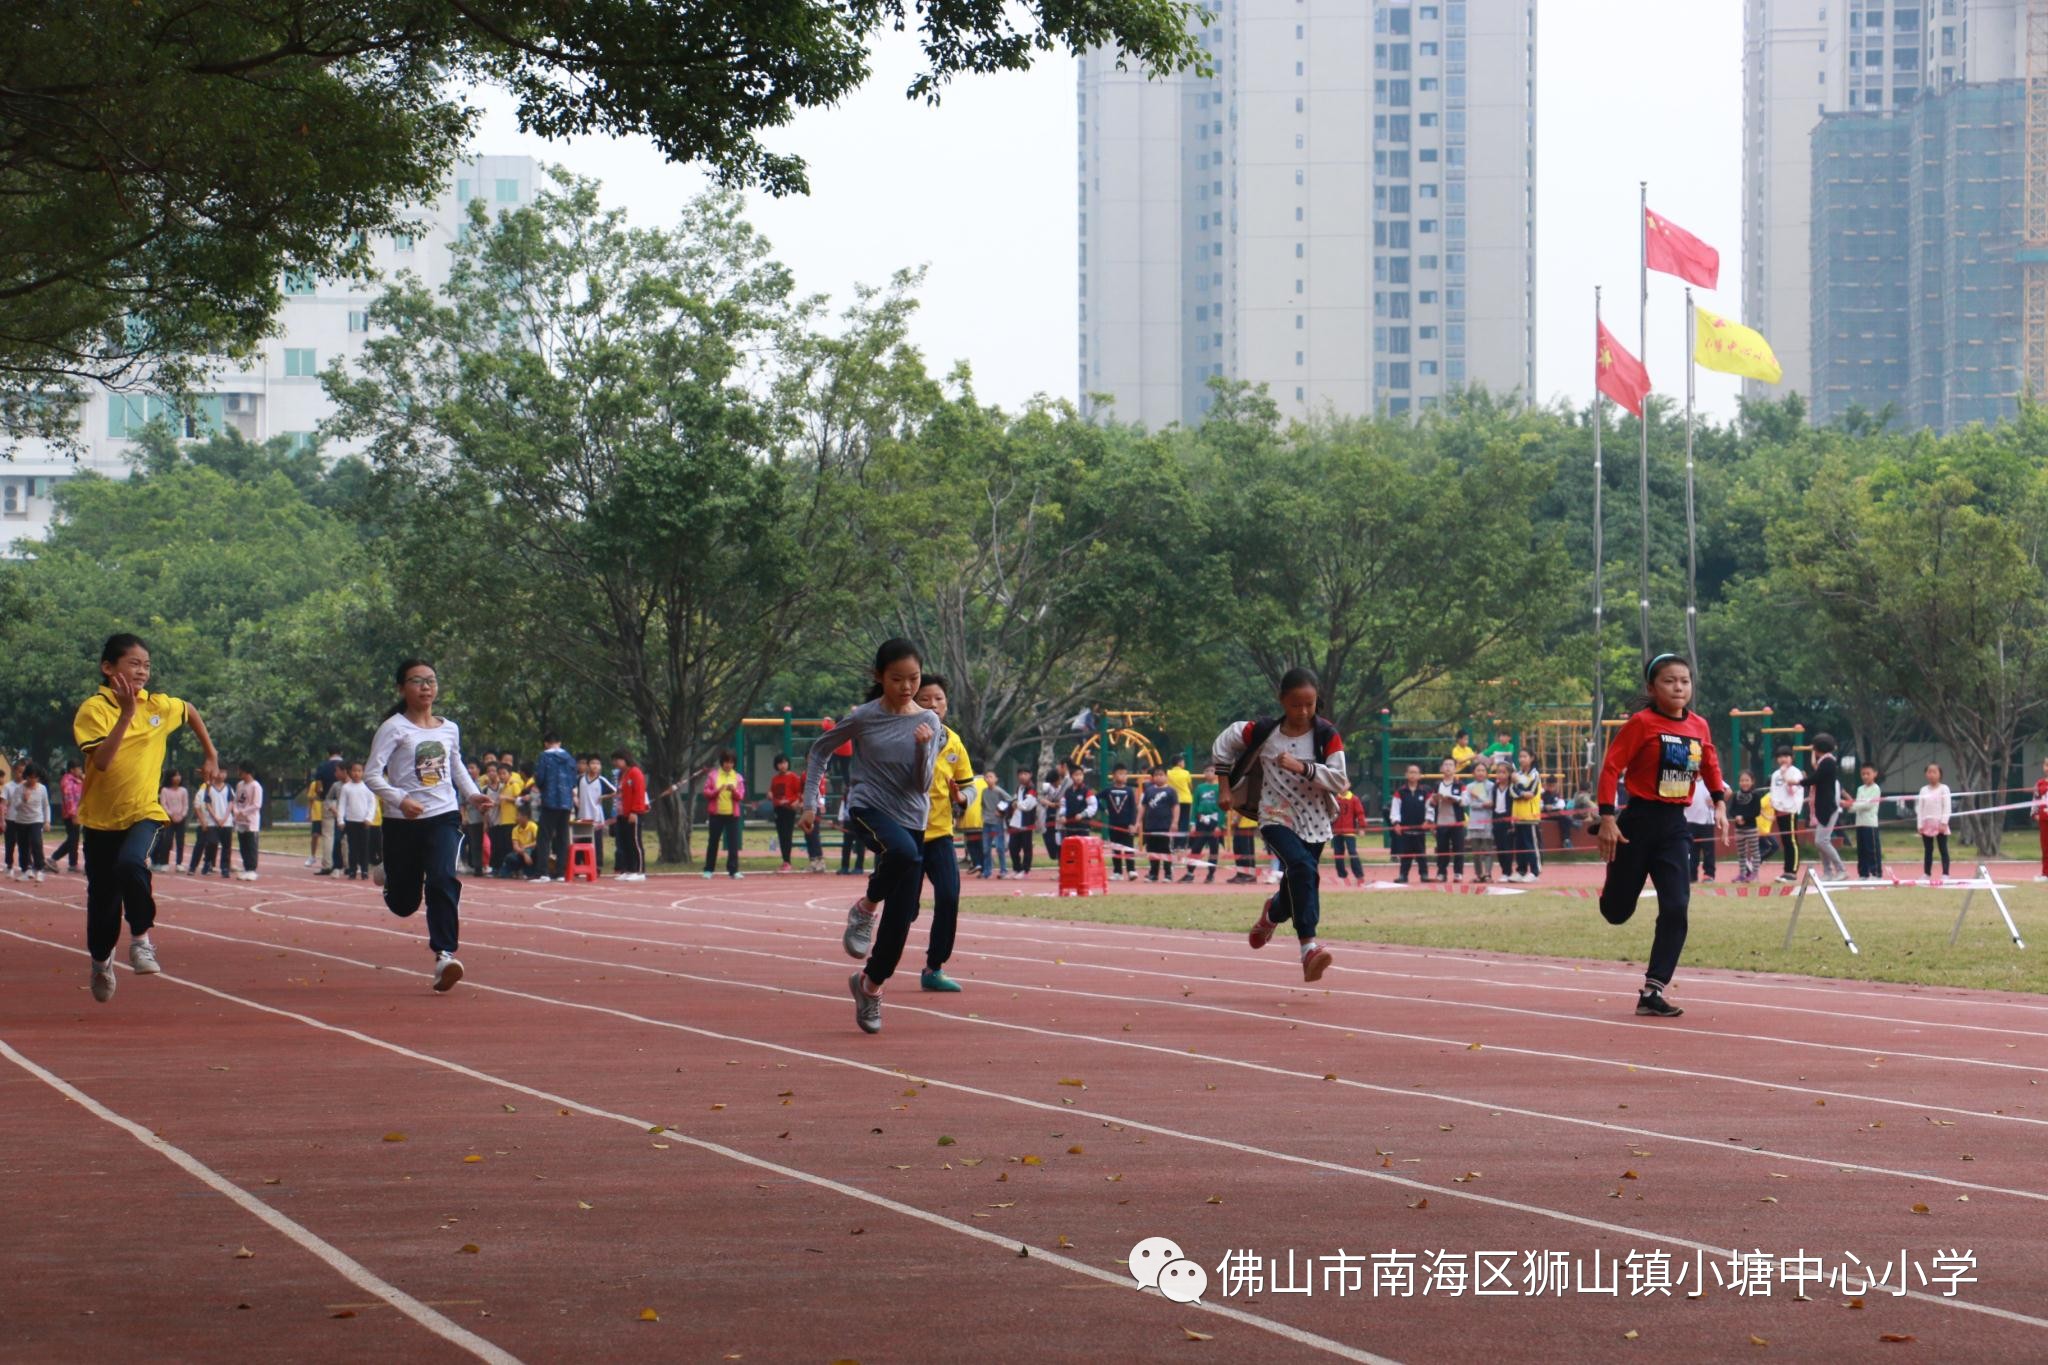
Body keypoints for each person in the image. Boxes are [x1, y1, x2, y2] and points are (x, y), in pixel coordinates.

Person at [799, 638, 944, 1034]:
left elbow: (922, 784)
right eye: (897, 679)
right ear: (879, 677)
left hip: (912, 817)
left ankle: (869, 986)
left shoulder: (929, 723)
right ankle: (864, 907)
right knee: (905, 855)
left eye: (913, 678)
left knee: (900, 922)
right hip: (869, 807)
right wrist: (810, 803)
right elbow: (819, 750)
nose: (907, 687)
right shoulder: (863, 716)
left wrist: (923, 749)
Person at [73, 633, 222, 1002]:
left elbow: (188, 709)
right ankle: (101, 961)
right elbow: (103, 763)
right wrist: (126, 713)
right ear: (108, 668)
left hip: (144, 811)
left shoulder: (158, 705)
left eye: (147, 665)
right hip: (100, 821)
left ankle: (141, 939)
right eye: (134, 663)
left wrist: (211, 754)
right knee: (103, 908)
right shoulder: (93, 710)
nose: (142, 670)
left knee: (130, 865)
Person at [1594, 653, 1729, 1020]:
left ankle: (1653, 990)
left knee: (1676, 906)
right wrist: (1607, 817)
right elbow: (1611, 767)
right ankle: (1613, 887)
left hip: (1674, 827)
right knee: (1617, 913)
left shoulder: (1699, 725)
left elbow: (1709, 763)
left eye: (1684, 681)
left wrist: (1719, 802)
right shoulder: (1641, 723)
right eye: (1670, 681)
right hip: (1636, 823)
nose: (1679, 687)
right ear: (1652, 688)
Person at [362, 659, 492, 991]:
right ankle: (391, 874)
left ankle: (445, 955)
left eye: (430, 680)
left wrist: (473, 795)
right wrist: (399, 799)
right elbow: (372, 774)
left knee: (442, 878)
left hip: (444, 816)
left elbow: (455, 764)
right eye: (417, 681)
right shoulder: (393, 728)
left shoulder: (449, 728)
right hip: (402, 822)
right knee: (404, 905)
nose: (425, 687)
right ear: (401, 687)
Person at [1214, 667, 1347, 982]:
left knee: (1299, 882)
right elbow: (1225, 741)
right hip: (1275, 816)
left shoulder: (1326, 734)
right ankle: (1308, 949)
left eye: (1309, 705)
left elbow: (1340, 779)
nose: (1302, 712)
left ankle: (1272, 913)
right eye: (1295, 705)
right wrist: (1223, 787)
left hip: (1315, 819)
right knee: (1302, 868)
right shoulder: (1264, 731)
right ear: (1282, 701)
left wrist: (1303, 767)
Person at [909, 674, 974, 992]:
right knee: (904, 907)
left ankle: (934, 968)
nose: (933, 705)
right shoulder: (902, 735)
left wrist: (961, 798)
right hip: (906, 834)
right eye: (925, 699)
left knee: (949, 896)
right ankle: (878, 967)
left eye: (939, 699)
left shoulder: (954, 742)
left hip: (940, 835)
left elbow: (968, 786)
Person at [531, 735, 577, 883]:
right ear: (559, 742)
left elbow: (540, 777)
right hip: (566, 802)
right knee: (563, 837)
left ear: (546, 744)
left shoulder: (544, 757)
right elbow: (573, 779)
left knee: (544, 836)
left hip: (550, 801)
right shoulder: (569, 758)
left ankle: (543, 872)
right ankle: (560, 872)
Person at [1807, 733, 1847, 881]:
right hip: (1821, 810)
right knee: (1821, 842)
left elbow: (1815, 775)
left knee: (1821, 841)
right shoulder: (1825, 764)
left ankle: (1841, 869)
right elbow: (1815, 769)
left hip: (1829, 810)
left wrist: (1799, 782)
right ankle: (1828, 872)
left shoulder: (1828, 764)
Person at [700, 750, 745, 879]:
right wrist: (717, 791)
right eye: (726, 762)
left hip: (732, 815)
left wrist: (734, 790)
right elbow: (706, 792)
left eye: (731, 762)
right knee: (713, 841)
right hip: (716, 814)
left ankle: (733, 870)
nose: (728, 765)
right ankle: (708, 869)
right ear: (722, 762)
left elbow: (741, 796)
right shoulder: (713, 775)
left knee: (733, 843)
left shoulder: (738, 777)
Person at [5, 764, 50, 882]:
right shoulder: (19, 788)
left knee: (36, 843)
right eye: (30, 777)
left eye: (35, 777)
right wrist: (24, 800)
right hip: (21, 821)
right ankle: (26, 870)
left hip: (36, 820)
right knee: (23, 846)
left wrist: (47, 821)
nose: (32, 780)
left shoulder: (42, 788)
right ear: (26, 777)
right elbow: (15, 806)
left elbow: (46, 806)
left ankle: (39, 869)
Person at [611, 749, 648, 881]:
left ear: (625, 758)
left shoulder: (635, 772)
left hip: (633, 813)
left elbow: (639, 793)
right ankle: (627, 869)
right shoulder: (622, 774)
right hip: (622, 813)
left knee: (634, 841)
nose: (615, 763)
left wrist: (635, 811)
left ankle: (639, 870)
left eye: (617, 760)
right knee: (624, 842)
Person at [1389, 765, 1430, 884]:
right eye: (1410, 772)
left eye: (1415, 772)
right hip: (1405, 829)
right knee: (1405, 854)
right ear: (1406, 775)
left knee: (1421, 853)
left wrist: (1428, 821)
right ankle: (1403, 875)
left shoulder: (1424, 791)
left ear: (1420, 775)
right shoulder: (1400, 792)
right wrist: (1396, 823)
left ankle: (1424, 874)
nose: (1413, 775)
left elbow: (1429, 808)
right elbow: (1395, 809)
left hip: (1420, 828)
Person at [1768, 749, 1805, 883]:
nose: (1783, 759)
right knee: (1785, 841)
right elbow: (1773, 792)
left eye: (1786, 756)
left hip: (1790, 810)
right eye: (1780, 756)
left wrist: (1785, 775)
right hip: (1779, 811)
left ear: (1792, 758)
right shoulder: (1775, 774)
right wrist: (1773, 810)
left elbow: (1792, 789)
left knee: (1791, 840)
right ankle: (1786, 871)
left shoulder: (1795, 772)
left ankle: (1792, 871)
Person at [573, 754, 613, 875]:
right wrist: (576, 799)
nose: (595, 766)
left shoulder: (601, 780)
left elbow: (615, 791)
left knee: (596, 842)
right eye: (592, 763)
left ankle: (596, 867)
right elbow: (573, 790)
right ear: (587, 766)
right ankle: (578, 867)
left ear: (600, 767)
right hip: (582, 816)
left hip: (596, 817)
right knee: (580, 841)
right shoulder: (580, 779)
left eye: (598, 764)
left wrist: (603, 797)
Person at [337, 761, 377, 879]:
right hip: (351, 821)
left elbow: (372, 804)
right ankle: (352, 870)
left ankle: (364, 870)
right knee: (352, 847)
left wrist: (369, 818)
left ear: (363, 772)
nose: (356, 774)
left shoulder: (367, 787)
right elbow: (342, 805)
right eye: (354, 771)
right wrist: (340, 820)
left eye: (359, 771)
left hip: (364, 822)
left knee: (364, 847)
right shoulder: (346, 788)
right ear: (349, 772)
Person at [189, 770, 232, 878]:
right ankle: (194, 866)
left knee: (223, 846)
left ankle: (222, 867)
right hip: (208, 822)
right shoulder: (205, 788)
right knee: (205, 844)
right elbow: (198, 805)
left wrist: (225, 818)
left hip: (223, 822)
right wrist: (203, 821)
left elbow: (231, 803)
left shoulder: (228, 787)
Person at [1914, 763, 1952, 880]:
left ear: (1940, 774)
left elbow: (1947, 807)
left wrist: (1944, 823)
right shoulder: (1923, 790)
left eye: (1934, 772)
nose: (1931, 774)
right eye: (1929, 772)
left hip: (1940, 824)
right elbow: (1919, 808)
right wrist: (1920, 824)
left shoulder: (1944, 789)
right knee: (1928, 850)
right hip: (1927, 825)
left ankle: (1945, 873)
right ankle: (1927, 873)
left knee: (1943, 848)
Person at [1431, 758, 1466, 882]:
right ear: (1441, 768)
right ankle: (1441, 872)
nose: (1448, 767)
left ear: (1455, 769)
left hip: (1456, 822)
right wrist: (1434, 799)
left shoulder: (1460, 785)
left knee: (1458, 848)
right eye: (1445, 765)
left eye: (1451, 765)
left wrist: (1454, 799)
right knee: (1442, 848)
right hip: (1441, 822)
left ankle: (1458, 873)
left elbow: (1465, 800)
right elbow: (1431, 803)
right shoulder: (1437, 785)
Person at [1141, 764, 1178, 881]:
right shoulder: (1149, 791)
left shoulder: (1171, 791)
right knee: (1152, 850)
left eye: (1161, 775)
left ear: (1166, 776)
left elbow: (1175, 807)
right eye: (1156, 775)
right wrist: (1138, 821)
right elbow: (1143, 806)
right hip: (1150, 826)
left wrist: (1175, 822)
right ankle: (1153, 874)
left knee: (1165, 849)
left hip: (1165, 826)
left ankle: (1168, 874)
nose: (1158, 777)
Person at [1510, 752, 1544, 881]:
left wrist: (1518, 786)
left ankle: (1535, 871)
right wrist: (1521, 792)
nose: (1521, 759)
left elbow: (1531, 792)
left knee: (1531, 845)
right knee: (1520, 846)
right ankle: (1521, 870)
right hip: (1518, 817)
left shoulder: (1535, 775)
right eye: (1520, 756)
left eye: (1525, 756)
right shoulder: (1517, 775)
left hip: (1531, 817)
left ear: (1532, 758)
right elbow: (1512, 792)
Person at [769, 753, 805, 873]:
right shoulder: (775, 779)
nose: (782, 765)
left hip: (789, 810)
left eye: (784, 762)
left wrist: (796, 801)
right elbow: (773, 793)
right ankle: (785, 861)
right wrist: (770, 796)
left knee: (787, 835)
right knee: (781, 835)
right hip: (778, 810)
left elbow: (799, 793)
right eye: (780, 763)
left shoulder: (794, 777)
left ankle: (787, 861)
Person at [492, 754, 526, 883]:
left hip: (512, 820)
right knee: (505, 846)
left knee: (511, 847)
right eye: (499, 774)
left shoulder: (513, 785)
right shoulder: (504, 787)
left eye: (504, 774)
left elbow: (520, 800)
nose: (501, 776)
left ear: (509, 774)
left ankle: (516, 870)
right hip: (504, 820)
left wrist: (506, 799)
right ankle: (508, 869)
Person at [1102, 764, 1139, 880]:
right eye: (1120, 773)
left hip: (1126, 825)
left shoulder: (1129, 791)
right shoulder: (1108, 790)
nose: (1123, 776)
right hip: (1113, 825)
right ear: (1114, 776)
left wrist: (1133, 824)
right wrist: (1103, 809)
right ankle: (1117, 872)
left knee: (1128, 848)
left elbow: (1133, 808)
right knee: (1116, 848)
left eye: (1125, 774)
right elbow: (1094, 798)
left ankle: (1131, 870)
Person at [1726, 771, 1764, 883]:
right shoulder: (1736, 795)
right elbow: (1731, 810)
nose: (1744, 783)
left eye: (1747, 780)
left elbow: (1756, 812)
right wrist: (1736, 816)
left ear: (1752, 781)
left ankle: (1754, 874)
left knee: (1754, 852)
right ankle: (1742, 874)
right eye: (1742, 780)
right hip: (1739, 829)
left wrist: (1744, 818)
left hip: (1751, 828)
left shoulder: (1756, 796)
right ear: (1739, 782)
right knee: (1741, 853)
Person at [1189, 764, 1224, 884]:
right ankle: (1190, 872)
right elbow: (1195, 806)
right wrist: (1193, 823)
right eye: (1207, 770)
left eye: (1212, 771)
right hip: (1201, 821)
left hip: (1214, 822)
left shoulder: (1219, 788)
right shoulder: (1200, 788)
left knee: (1214, 849)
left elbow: (1222, 807)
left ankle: (1211, 873)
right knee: (1196, 847)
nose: (1209, 773)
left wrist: (1219, 824)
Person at [1850, 764, 1885, 880]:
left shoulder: (1876, 789)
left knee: (1872, 850)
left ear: (1875, 774)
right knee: (1862, 850)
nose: (1865, 776)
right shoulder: (1860, 789)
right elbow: (1858, 803)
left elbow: (1868, 805)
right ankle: (1863, 873)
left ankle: (1876, 873)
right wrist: (1851, 806)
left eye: (1868, 774)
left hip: (1870, 824)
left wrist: (1853, 806)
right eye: (1863, 774)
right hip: (1860, 823)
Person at [230, 761, 264, 881]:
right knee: (243, 845)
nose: (238, 772)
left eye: (240, 770)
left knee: (251, 845)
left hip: (251, 821)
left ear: (246, 771)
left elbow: (256, 804)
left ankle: (252, 869)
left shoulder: (255, 786)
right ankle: (246, 868)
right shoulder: (240, 785)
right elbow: (236, 800)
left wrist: (243, 812)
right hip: (240, 820)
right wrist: (235, 811)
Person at [49, 760, 85, 873]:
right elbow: (69, 799)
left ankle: (72, 863)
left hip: (77, 813)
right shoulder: (67, 781)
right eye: (79, 768)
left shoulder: (78, 780)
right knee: (73, 839)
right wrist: (73, 814)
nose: (81, 771)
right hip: (70, 814)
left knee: (74, 839)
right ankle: (54, 858)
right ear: (72, 770)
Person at [1460, 768, 1494, 884]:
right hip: (1474, 822)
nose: (1480, 773)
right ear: (1473, 773)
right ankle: (1479, 875)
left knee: (1487, 849)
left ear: (1487, 773)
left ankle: (1488, 874)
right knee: (1476, 851)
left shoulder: (1492, 786)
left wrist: (1479, 799)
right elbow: (1469, 803)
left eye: (1483, 770)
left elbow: (1491, 803)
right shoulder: (1469, 786)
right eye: (1477, 770)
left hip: (1487, 821)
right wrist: (1482, 803)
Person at [1684, 769, 1718, 883]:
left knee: (1708, 850)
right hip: (1689, 821)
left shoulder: (1710, 778)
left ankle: (1709, 874)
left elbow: (1727, 791)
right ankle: (1691, 875)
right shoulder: (1686, 778)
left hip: (1707, 822)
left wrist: (1716, 802)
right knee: (1691, 850)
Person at [1331, 782, 1368, 885]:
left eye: (1344, 783)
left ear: (1349, 785)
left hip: (1349, 831)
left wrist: (1362, 827)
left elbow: (1360, 813)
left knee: (1352, 853)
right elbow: (1330, 814)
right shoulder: (1334, 799)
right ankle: (1342, 875)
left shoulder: (1354, 799)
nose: (1342, 786)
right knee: (1338, 854)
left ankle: (1359, 875)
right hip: (1337, 832)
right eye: (1340, 783)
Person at [154, 770, 190, 870]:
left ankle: (179, 863)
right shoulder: (165, 790)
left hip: (181, 819)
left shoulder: (183, 790)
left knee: (180, 841)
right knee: (167, 840)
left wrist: (182, 815)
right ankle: (164, 862)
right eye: (175, 776)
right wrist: (171, 815)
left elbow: (186, 805)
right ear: (170, 777)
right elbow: (163, 804)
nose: (177, 778)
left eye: (179, 775)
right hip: (169, 819)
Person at [979, 768, 1011, 879]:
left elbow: (1009, 800)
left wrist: (1001, 810)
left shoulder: (999, 791)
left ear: (996, 779)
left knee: (999, 847)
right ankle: (987, 871)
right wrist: (983, 816)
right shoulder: (984, 792)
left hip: (997, 823)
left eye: (991, 776)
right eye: (986, 777)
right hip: (987, 823)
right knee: (986, 848)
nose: (988, 779)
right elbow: (982, 805)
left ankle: (1003, 870)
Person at [1489, 758, 1517, 882]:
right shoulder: (1495, 787)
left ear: (1509, 774)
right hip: (1496, 819)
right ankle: (1503, 870)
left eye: (1503, 772)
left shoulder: (1512, 787)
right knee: (1499, 847)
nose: (1500, 774)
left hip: (1508, 819)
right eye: (1498, 772)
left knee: (1507, 847)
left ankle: (1508, 871)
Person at [1006, 770, 1038, 877]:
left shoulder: (1032, 789)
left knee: (1026, 847)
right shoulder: (1019, 788)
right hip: (1015, 823)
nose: (1023, 776)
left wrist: (1016, 804)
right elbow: (1014, 800)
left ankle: (1025, 869)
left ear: (1030, 775)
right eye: (1020, 774)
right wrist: (1014, 804)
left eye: (1025, 774)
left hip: (1026, 823)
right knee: (1013, 847)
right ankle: (1016, 868)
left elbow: (1028, 805)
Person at [460, 760, 490, 875]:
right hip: (473, 818)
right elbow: (461, 803)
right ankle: (477, 867)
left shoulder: (484, 782)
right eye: (468, 768)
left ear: (478, 769)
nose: (469, 770)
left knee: (487, 844)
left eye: (472, 768)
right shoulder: (464, 785)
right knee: (475, 843)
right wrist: (464, 816)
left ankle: (488, 865)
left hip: (487, 817)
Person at [1165, 754, 1194, 860]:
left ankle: (1173, 844)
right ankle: (1181, 845)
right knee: (1184, 822)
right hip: (1186, 800)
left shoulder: (1168, 773)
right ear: (1179, 763)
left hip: (1173, 801)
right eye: (1183, 761)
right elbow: (1190, 786)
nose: (1184, 763)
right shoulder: (1186, 773)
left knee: (1174, 822)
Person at [2035, 756, 2048, 884]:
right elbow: (2035, 799)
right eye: (2046, 765)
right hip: (2044, 819)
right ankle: (2045, 873)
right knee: (2045, 847)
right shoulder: (2040, 783)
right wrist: (2035, 814)